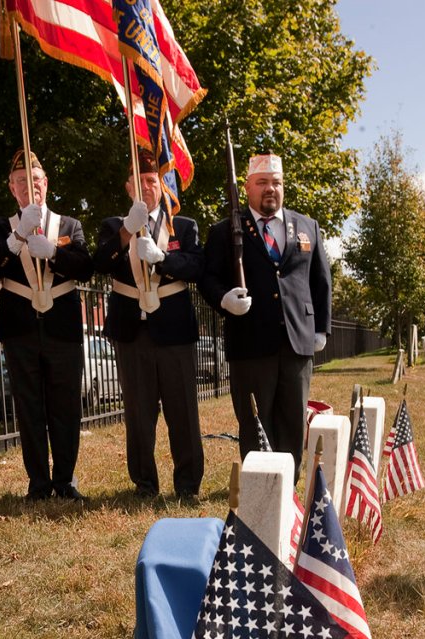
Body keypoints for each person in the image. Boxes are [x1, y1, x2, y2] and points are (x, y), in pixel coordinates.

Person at [201, 153, 331, 480]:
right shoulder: (225, 231)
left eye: (276, 182)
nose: (270, 189)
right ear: (247, 188)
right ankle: (260, 484)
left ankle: (289, 482)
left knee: (292, 418)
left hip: (297, 342)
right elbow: (207, 278)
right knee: (255, 420)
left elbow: (321, 280)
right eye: (262, 183)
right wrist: (224, 299)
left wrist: (321, 328)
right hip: (250, 343)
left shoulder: (307, 227)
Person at [93, 150, 204, 500]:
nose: (146, 188)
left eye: (151, 182)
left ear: (162, 186)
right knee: (139, 413)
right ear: (129, 189)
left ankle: (187, 484)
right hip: (132, 331)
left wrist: (164, 259)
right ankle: (144, 483)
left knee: (182, 410)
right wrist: (126, 230)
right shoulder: (113, 226)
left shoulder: (182, 226)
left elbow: (196, 266)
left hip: (173, 331)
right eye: (138, 183)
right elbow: (99, 262)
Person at [0, 149, 93, 501]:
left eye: (33, 181)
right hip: (20, 329)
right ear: (11, 188)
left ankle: (65, 480)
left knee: (65, 407)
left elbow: (84, 267)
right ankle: (38, 483)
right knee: (29, 408)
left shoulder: (68, 225)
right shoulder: (1, 226)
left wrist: (54, 253)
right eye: (20, 182)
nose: (28, 188)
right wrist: (16, 236)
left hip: (62, 328)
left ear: (45, 184)